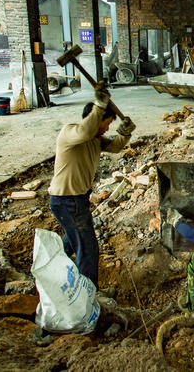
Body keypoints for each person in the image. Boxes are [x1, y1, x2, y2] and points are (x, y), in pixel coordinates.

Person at [48, 83, 135, 288]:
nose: (106, 129)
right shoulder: (70, 133)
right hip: (67, 201)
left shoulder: (95, 139)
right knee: (88, 249)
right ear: (94, 118)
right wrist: (99, 105)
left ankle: (48, 267)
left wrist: (125, 133)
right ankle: (88, 295)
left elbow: (115, 146)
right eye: (105, 123)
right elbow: (85, 131)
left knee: (72, 240)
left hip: (76, 200)